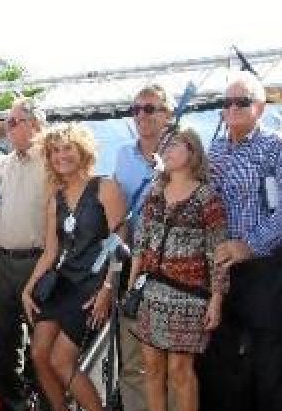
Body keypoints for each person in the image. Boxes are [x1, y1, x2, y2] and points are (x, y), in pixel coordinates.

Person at [202, 71, 282, 411]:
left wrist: (248, 245)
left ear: (260, 107)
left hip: (265, 269)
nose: (232, 108)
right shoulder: (213, 151)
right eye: (225, 102)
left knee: (270, 361)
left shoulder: (280, 148)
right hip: (222, 271)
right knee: (225, 363)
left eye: (241, 102)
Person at [22, 123, 127, 411]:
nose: (60, 156)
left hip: (93, 285)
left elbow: (120, 243)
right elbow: (50, 252)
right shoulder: (55, 200)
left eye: (67, 148)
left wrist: (108, 289)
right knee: (39, 354)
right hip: (63, 283)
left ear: (82, 150)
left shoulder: (105, 187)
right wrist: (28, 289)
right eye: (54, 151)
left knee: (61, 360)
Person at [128, 127, 228, 411]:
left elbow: (217, 253)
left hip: (189, 298)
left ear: (192, 152)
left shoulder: (207, 197)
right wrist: (133, 285)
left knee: (180, 371)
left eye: (175, 144)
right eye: (165, 145)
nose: (167, 149)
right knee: (152, 367)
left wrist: (216, 300)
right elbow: (141, 242)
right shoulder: (155, 192)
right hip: (151, 291)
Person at [0, 98, 49, 411]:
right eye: (6, 123)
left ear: (35, 124)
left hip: (40, 263)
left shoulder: (53, 161)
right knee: (5, 338)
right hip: (4, 263)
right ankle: (14, 402)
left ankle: (46, 399)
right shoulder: (3, 165)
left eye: (13, 122)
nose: (7, 129)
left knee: (42, 342)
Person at [112, 84, 171, 411]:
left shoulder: (184, 151)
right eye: (136, 110)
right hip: (134, 267)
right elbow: (119, 214)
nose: (142, 116)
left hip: (173, 267)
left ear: (168, 113)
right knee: (134, 361)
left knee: (173, 364)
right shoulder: (122, 154)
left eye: (150, 108)